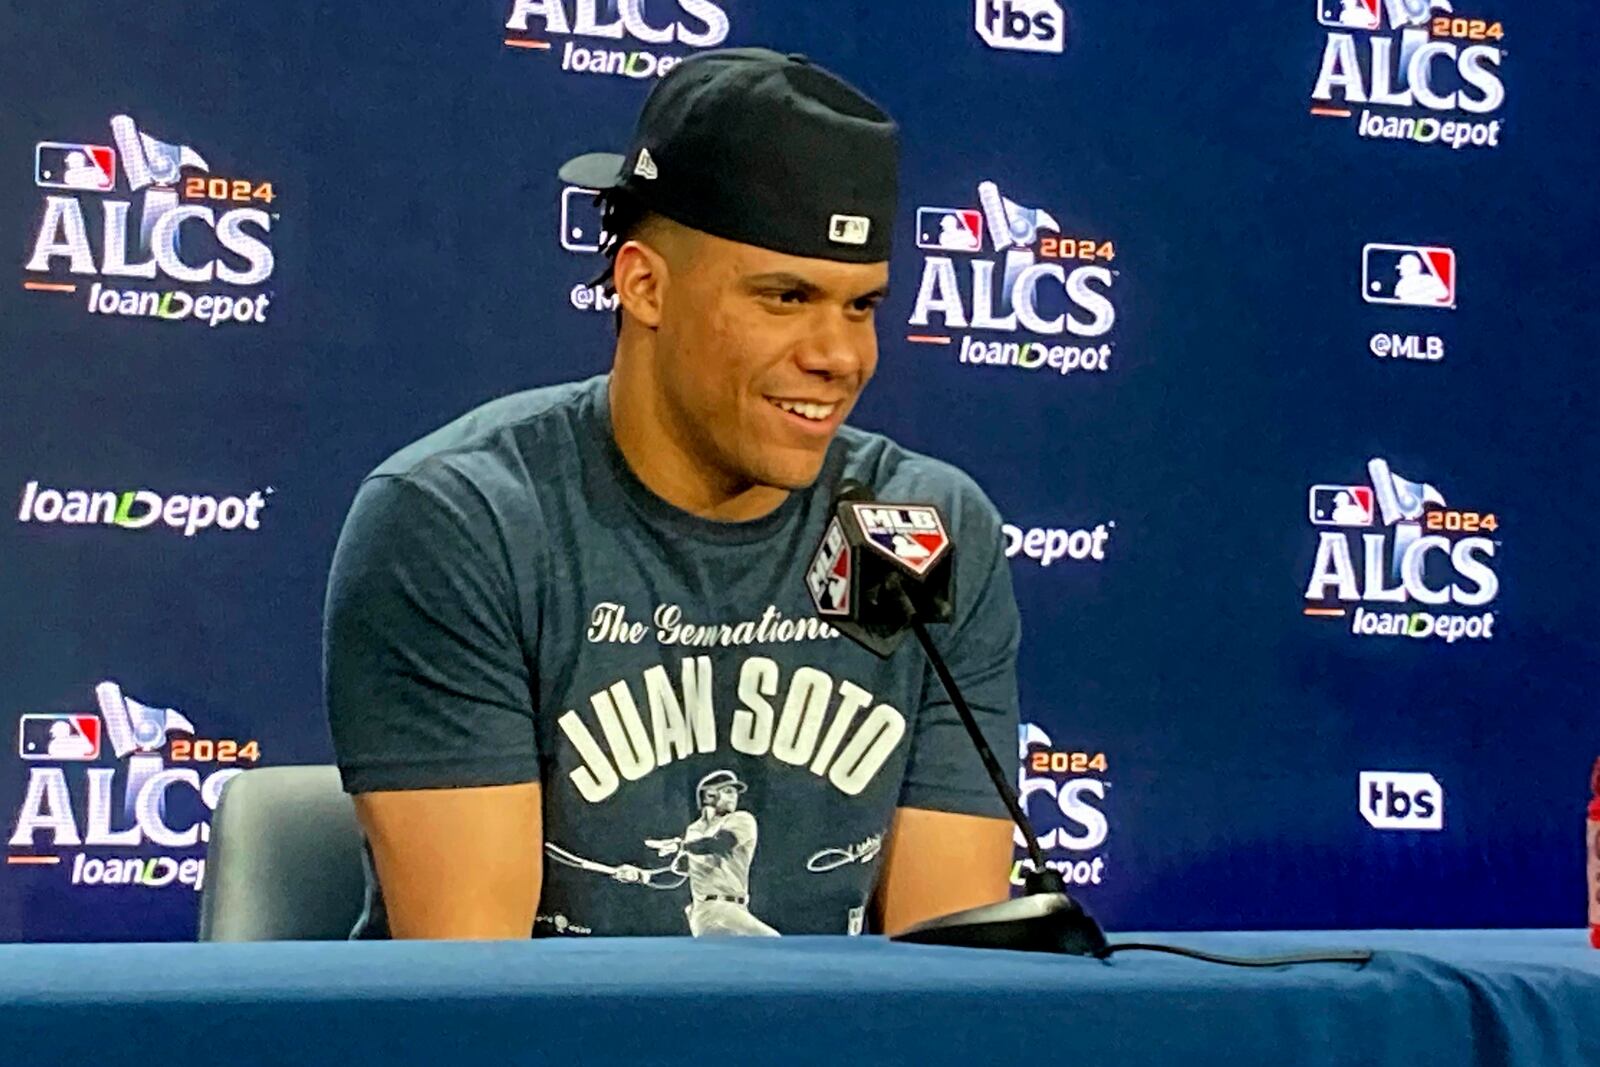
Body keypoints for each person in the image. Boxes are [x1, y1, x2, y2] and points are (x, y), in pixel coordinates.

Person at [324, 48, 1021, 941]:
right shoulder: (466, 522)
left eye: (861, 306)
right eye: (786, 297)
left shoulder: (912, 524)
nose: (840, 356)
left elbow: (947, 975)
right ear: (644, 285)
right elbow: (480, 994)